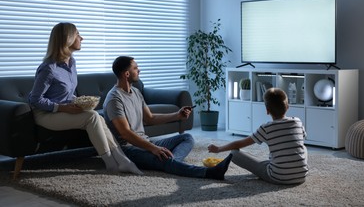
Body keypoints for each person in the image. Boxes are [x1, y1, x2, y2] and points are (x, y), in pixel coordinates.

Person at [29, 22, 143, 175]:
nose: (82, 38)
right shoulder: (49, 68)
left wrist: (78, 101)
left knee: (99, 118)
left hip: (61, 111)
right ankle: (112, 163)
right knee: (93, 117)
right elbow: (35, 99)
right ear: (67, 39)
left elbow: (66, 94)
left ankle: (122, 160)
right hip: (44, 114)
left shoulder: (71, 63)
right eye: (77, 35)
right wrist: (61, 107)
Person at [103, 55, 232, 180]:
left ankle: (171, 162)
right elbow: (125, 134)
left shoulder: (135, 92)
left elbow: (150, 118)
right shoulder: (114, 99)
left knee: (187, 138)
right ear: (126, 74)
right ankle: (208, 173)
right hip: (129, 150)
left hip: (146, 142)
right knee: (163, 158)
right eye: (136, 68)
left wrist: (177, 115)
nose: (139, 70)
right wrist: (154, 149)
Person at [208, 88, 308, 185]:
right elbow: (301, 140)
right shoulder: (297, 121)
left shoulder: (266, 128)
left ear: (267, 110)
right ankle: (292, 167)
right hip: (301, 176)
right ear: (287, 107)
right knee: (303, 147)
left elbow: (240, 143)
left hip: (277, 176)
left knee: (234, 153)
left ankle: (279, 167)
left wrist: (218, 149)